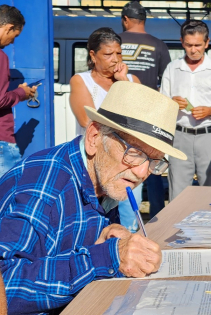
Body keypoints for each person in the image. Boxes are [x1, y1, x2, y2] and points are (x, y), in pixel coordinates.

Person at [0, 81, 186, 313]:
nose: (142, 173)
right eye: (134, 153)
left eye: (154, 161)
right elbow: (7, 283)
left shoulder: (106, 174)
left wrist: (106, 238)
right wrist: (105, 258)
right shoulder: (45, 186)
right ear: (94, 137)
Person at [69, 27, 142, 232]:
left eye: (119, 53)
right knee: (95, 219)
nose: (115, 59)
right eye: (108, 54)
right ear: (93, 55)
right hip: (95, 163)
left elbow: (142, 117)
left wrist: (122, 83)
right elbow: (88, 120)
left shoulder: (131, 81)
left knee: (128, 219)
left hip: (130, 160)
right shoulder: (80, 80)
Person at [161, 20, 211, 200]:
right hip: (179, 136)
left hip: (208, 137)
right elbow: (161, 102)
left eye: (198, 45)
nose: (193, 50)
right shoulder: (172, 69)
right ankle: (176, 228)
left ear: (207, 43)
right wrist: (171, 103)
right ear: (182, 42)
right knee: (177, 190)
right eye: (189, 45)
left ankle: (209, 227)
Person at [119, 0, 171, 218]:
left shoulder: (116, 42)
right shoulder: (158, 45)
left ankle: (121, 214)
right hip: (151, 114)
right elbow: (167, 81)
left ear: (125, 20)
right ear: (143, 20)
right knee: (152, 163)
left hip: (120, 112)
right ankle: (157, 212)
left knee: (122, 163)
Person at [0, 5, 36, 178]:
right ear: (9, 27)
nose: (12, 42)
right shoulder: (1, 57)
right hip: (1, 140)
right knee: (7, 194)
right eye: (14, 36)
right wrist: (22, 93)